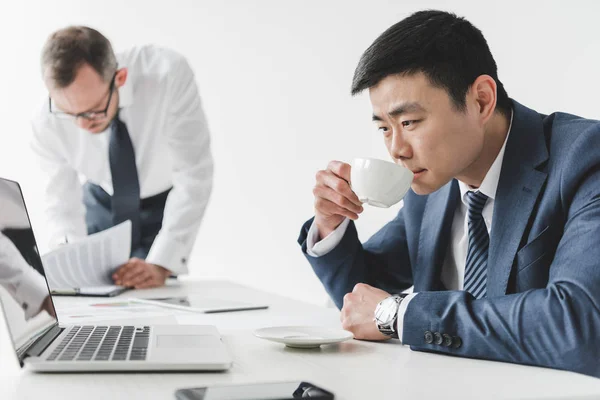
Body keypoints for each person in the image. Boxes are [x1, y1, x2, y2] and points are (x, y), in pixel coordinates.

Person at [298, 10, 600, 378]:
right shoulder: (432, 186)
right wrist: (331, 226)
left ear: (482, 100)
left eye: (409, 123)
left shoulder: (586, 158)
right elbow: (364, 301)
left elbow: (578, 323)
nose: (397, 150)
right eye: (384, 128)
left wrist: (402, 314)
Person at [31, 26, 214, 289]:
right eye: (69, 113)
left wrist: (162, 262)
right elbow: (61, 202)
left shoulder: (167, 74)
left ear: (120, 78)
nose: (82, 125)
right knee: (94, 295)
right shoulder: (45, 122)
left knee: (154, 301)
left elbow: (194, 172)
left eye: (93, 111)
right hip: (100, 203)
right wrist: (68, 260)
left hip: (161, 209)